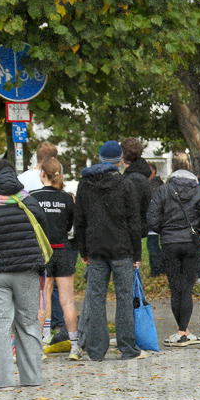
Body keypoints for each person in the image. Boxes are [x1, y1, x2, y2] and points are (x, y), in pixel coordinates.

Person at [0, 160, 48, 391]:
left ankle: (2, 381)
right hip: (27, 272)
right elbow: (45, 233)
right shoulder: (30, 202)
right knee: (28, 323)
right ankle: (32, 377)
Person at [74, 140, 145, 360]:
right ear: (119, 160)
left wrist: (83, 250)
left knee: (96, 297)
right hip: (122, 249)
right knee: (124, 297)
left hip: (96, 249)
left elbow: (80, 220)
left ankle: (96, 350)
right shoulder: (124, 184)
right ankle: (127, 347)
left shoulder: (84, 184)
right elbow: (134, 222)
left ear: (100, 157)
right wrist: (137, 254)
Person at [147, 151, 200, 347]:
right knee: (187, 288)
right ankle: (184, 331)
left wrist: (165, 231)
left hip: (169, 243)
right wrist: (197, 231)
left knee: (176, 288)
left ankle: (181, 331)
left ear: (172, 168)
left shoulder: (163, 190)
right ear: (190, 167)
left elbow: (151, 219)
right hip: (192, 243)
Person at [30, 158, 81, 359]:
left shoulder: (32, 197)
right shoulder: (68, 198)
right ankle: (75, 346)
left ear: (42, 174)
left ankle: (41, 345)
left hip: (42, 251)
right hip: (64, 250)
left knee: (43, 298)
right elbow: (70, 226)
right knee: (68, 301)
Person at [146, 162, 165, 277]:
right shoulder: (149, 183)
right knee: (152, 245)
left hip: (157, 220)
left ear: (154, 171)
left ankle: (157, 269)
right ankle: (158, 267)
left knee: (153, 245)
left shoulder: (156, 184)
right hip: (153, 220)